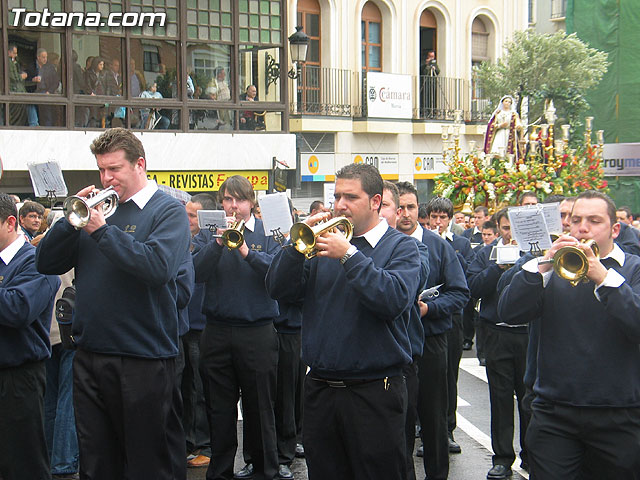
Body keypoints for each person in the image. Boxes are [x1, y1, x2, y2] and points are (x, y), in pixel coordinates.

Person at [35, 127, 191, 480]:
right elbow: (45, 262)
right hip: (91, 355)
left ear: (140, 165)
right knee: (97, 463)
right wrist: (69, 219)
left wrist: (102, 231)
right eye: (102, 170)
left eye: (114, 169)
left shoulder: (168, 211)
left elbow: (156, 267)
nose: (107, 179)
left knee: (149, 464)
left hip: (145, 358)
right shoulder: (93, 214)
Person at [266, 164, 422, 480]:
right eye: (337, 196)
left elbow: (391, 300)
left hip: (375, 392)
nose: (339, 205)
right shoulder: (322, 244)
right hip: (320, 390)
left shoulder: (402, 247)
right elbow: (277, 290)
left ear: (376, 201)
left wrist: (348, 255)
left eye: (350, 197)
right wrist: (296, 249)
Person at [498, 190, 640, 478]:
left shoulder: (633, 269)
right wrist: (543, 266)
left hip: (618, 414)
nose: (582, 228)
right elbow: (509, 311)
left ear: (614, 229)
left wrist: (602, 277)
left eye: (594, 221)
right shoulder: (552, 269)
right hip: (555, 414)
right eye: (576, 220)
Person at [192, 175, 279, 480]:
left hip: (257, 331)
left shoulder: (268, 232)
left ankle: (264, 469)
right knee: (219, 408)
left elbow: (276, 273)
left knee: (260, 407)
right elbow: (196, 273)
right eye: (227, 199)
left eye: (239, 200)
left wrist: (244, 250)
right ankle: (219, 471)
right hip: (216, 330)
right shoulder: (208, 234)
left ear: (251, 202)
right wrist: (217, 243)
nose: (233, 206)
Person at [395, 182, 469, 480]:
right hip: (395, 345)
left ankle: (437, 474)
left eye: (411, 207)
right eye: (399, 207)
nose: (405, 213)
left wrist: (429, 309)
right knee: (399, 419)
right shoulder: (384, 244)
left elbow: (460, 293)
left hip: (431, 341)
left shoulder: (438, 246)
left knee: (434, 417)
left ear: (419, 210)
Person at [0, 192, 61, 480]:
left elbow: (18, 309)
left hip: (18, 379)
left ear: (10, 222)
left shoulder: (38, 261)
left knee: (23, 463)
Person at [467, 208, 529, 480]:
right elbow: (472, 287)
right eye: (505, 228)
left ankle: (532, 453)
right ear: (499, 228)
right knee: (501, 399)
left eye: (515, 229)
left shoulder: (535, 254)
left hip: (527, 335)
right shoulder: (485, 253)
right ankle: (502, 457)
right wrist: (497, 268)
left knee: (530, 399)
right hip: (497, 334)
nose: (510, 235)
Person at [379, 181, 430, 480]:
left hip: (399, 363)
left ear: (396, 213)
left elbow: (402, 292)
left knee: (399, 449)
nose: (378, 211)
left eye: (384, 206)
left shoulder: (413, 247)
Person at [425, 196, 474, 455]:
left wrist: (445, 247)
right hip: (428, 316)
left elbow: (465, 280)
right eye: (434, 216)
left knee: (448, 377)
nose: (438, 221)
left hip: (451, 319)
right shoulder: (422, 241)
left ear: (450, 219)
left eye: (443, 217)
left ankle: (448, 428)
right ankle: (426, 429)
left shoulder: (462, 244)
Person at [182, 194, 216, 469]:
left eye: (193, 215)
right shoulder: (182, 238)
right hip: (183, 324)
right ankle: (189, 441)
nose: (187, 220)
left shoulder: (208, 242)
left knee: (202, 388)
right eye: (187, 213)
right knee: (187, 386)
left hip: (202, 324)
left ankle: (205, 445)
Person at [483, 95, 523, 160]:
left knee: (508, 152)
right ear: (502, 102)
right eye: (506, 101)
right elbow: (491, 125)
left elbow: (518, 123)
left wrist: (518, 126)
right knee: (496, 151)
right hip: (499, 134)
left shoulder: (513, 114)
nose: (507, 103)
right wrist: (500, 126)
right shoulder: (498, 113)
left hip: (509, 134)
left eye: (509, 102)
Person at [8, 44, 28, 125]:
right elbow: (12, 77)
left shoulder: (13, 62)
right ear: (9, 52)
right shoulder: (8, 62)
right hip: (14, 90)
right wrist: (21, 76)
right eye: (14, 53)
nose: (16, 55)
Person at [421, 50, 440, 118]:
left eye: (433, 56)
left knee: (433, 97)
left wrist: (434, 68)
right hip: (426, 82)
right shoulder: (424, 63)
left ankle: (433, 112)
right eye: (430, 56)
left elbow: (438, 71)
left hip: (433, 83)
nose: (432, 58)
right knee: (426, 97)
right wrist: (426, 65)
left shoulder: (434, 63)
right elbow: (423, 71)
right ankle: (425, 112)